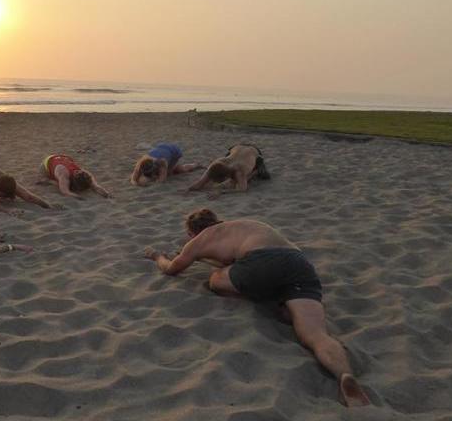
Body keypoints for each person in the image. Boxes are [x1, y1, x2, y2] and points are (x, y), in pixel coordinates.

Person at [143, 209, 370, 407]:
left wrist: (157, 256)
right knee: (316, 335)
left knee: (216, 279)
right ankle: (345, 375)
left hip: (261, 262)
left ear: (192, 233)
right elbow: (236, 258)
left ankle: (271, 298)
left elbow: (172, 269)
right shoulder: (245, 226)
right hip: (298, 263)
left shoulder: (199, 240)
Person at [186, 143, 270, 194]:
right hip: (236, 147)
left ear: (226, 177)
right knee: (235, 180)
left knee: (264, 176)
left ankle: (255, 171)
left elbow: (242, 189)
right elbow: (199, 183)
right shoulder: (217, 163)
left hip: (255, 152)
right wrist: (188, 190)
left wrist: (222, 192)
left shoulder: (239, 170)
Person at [41, 154, 111, 199]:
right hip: (46, 163)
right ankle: (49, 181)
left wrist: (107, 194)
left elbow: (96, 186)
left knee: (64, 183)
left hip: (63, 157)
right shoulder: (64, 173)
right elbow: (65, 192)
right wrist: (80, 198)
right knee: (61, 183)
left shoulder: (85, 174)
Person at [130, 143, 199, 186]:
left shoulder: (162, 162)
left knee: (177, 171)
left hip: (174, 151)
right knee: (154, 176)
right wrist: (136, 183)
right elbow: (133, 179)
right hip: (161, 147)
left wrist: (150, 184)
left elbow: (161, 181)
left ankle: (195, 165)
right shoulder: (141, 163)